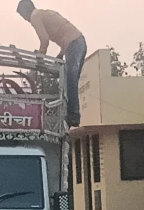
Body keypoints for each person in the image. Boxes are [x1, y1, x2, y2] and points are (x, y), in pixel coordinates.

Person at [17, 0, 87, 128]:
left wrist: (40, 57)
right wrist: (61, 54)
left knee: (69, 79)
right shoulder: (45, 13)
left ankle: (73, 115)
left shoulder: (34, 16)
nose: (25, 20)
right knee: (71, 80)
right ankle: (72, 115)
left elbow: (44, 40)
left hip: (74, 44)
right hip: (79, 42)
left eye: (23, 16)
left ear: (25, 12)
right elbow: (64, 32)